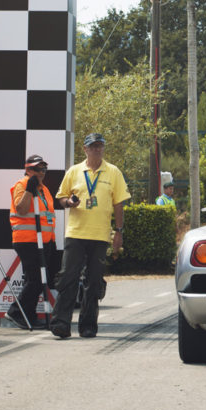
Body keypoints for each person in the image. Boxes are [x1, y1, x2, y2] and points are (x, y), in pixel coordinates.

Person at [48, 132, 130, 339]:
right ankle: (60, 323)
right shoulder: (75, 171)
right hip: (76, 233)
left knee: (94, 281)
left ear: (103, 148)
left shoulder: (113, 172)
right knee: (68, 277)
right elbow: (61, 198)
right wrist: (69, 203)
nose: (96, 149)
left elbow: (119, 204)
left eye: (100, 146)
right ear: (85, 149)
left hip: (100, 235)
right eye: (92, 146)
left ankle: (88, 325)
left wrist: (118, 232)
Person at [8, 154, 57, 330]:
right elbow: (21, 209)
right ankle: (16, 311)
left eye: (43, 169)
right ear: (28, 169)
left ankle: (28, 316)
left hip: (43, 241)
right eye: (37, 169)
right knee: (35, 279)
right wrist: (29, 189)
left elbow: (47, 216)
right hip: (28, 240)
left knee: (35, 279)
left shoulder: (44, 189)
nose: (41, 172)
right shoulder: (22, 185)